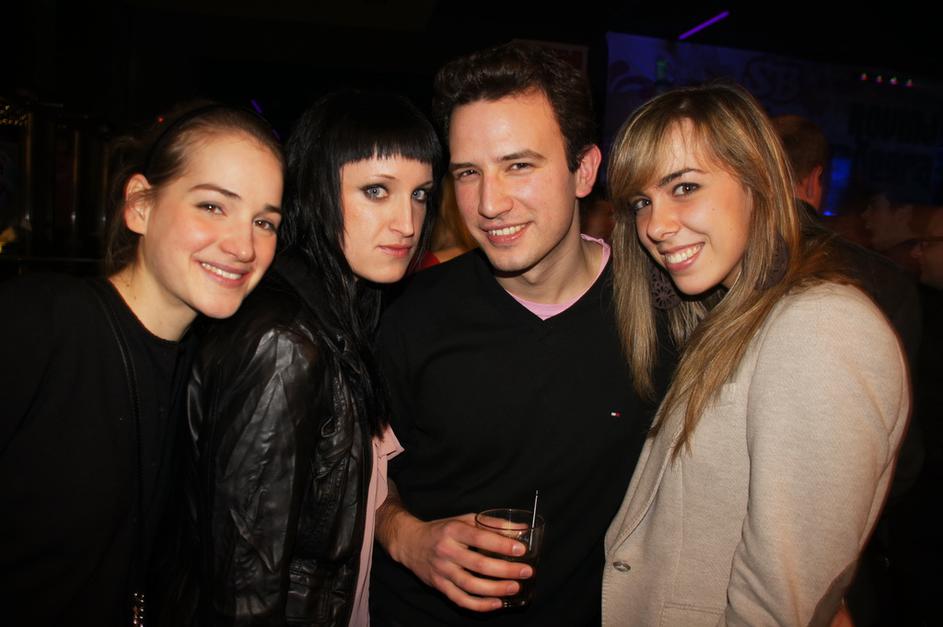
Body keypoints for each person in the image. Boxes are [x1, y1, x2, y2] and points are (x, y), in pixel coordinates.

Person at [370, 42, 670, 626]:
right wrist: (408, 538)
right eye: (468, 173)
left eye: (519, 165)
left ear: (584, 170)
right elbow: (353, 473)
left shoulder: (659, 315)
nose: (489, 203)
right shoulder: (408, 314)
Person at [602, 82, 909, 626]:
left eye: (685, 187)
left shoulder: (820, 327)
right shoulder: (736, 316)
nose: (654, 226)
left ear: (759, 182)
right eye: (642, 202)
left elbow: (776, 605)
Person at [0, 103, 284, 626]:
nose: (244, 246)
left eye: (264, 221)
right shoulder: (39, 322)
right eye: (213, 206)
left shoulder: (204, 366)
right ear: (140, 206)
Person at [178, 90, 441, 626]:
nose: (407, 223)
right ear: (316, 191)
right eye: (376, 191)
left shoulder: (344, 313)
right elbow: (245, 590)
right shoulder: (285, 342)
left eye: (419, 195)